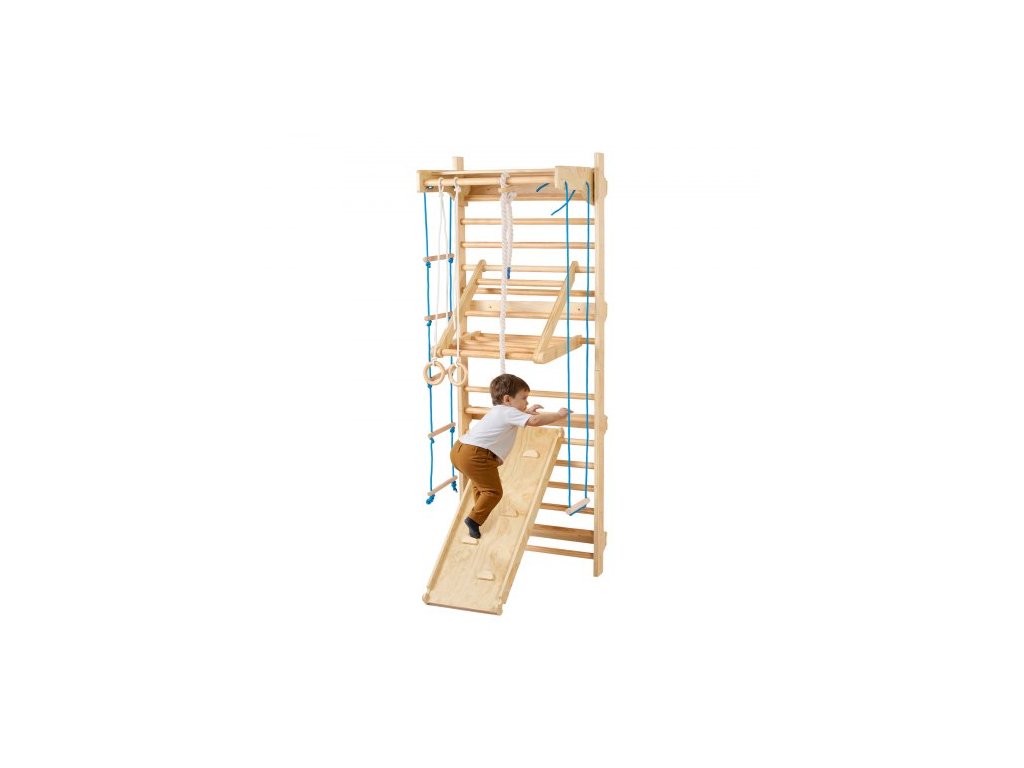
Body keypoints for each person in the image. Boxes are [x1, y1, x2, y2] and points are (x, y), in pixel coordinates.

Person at [451, 373, 569, 539]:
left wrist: (526, 412)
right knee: (493, 492)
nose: (527, 402)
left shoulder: (499, 411)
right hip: (475, 455)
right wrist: (558, 415)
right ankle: (473, 519)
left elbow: (516, 419)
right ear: (507, 399)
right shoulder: (507, 412)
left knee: (481, 487)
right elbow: (534, 421)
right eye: (524, 398)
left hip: (459, 451)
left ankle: (479, 515)